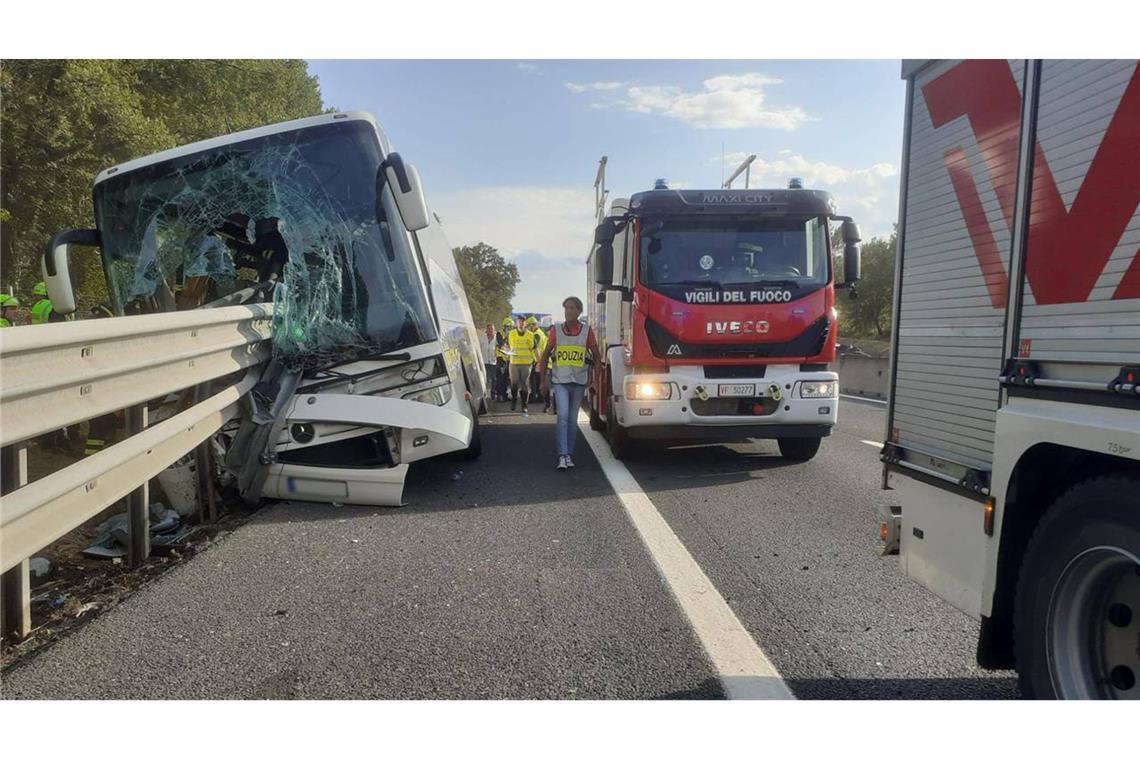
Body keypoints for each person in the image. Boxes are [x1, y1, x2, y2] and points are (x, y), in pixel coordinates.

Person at [537, 296, 600, 470]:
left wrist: (595, 380)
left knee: (572, 419)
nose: (568, 311)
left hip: (579, 381)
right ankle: (562, 455)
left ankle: (569, 454)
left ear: (579, 311)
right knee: (563, 415)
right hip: (560, 381)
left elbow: (596, 356)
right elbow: (544, 356)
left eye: (572, 308)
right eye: (566, 308)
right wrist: (542, 381)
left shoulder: (587, 331)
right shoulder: (556, 330)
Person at [506, 315, 541, 413]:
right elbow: (506, 346)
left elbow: (535, 349)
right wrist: (505, 354)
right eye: (519, 321)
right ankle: (514, 400)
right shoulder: (511, 334)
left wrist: (539, 362)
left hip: (526, 363)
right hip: (514, 363)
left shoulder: (530, 334)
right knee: (514, 384)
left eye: (523, 321)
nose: (521, 323)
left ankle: (524, 405)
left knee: (525, 384)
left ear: (525, 323)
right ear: (516, 323)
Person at [525, 315, 547, 406]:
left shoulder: (536, 334)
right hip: (540, 359)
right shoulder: (540, 333)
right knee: (537, 379)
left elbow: (534, 347)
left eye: (528, 326)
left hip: (537, 360)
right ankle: (540, 397)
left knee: (533, 379)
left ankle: (534, 396)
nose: (528, 329)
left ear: (532, 325)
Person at [480, 323, 498, 398]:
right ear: (486, 330)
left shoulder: (497, 339)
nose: (490, 330)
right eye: (489, 329)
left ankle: (493, 393)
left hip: (493, 361)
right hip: (484, 361)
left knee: (494, 379)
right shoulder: (482, 338)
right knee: (484, 378)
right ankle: (484, 393)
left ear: (494, 330)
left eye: (492, 329)